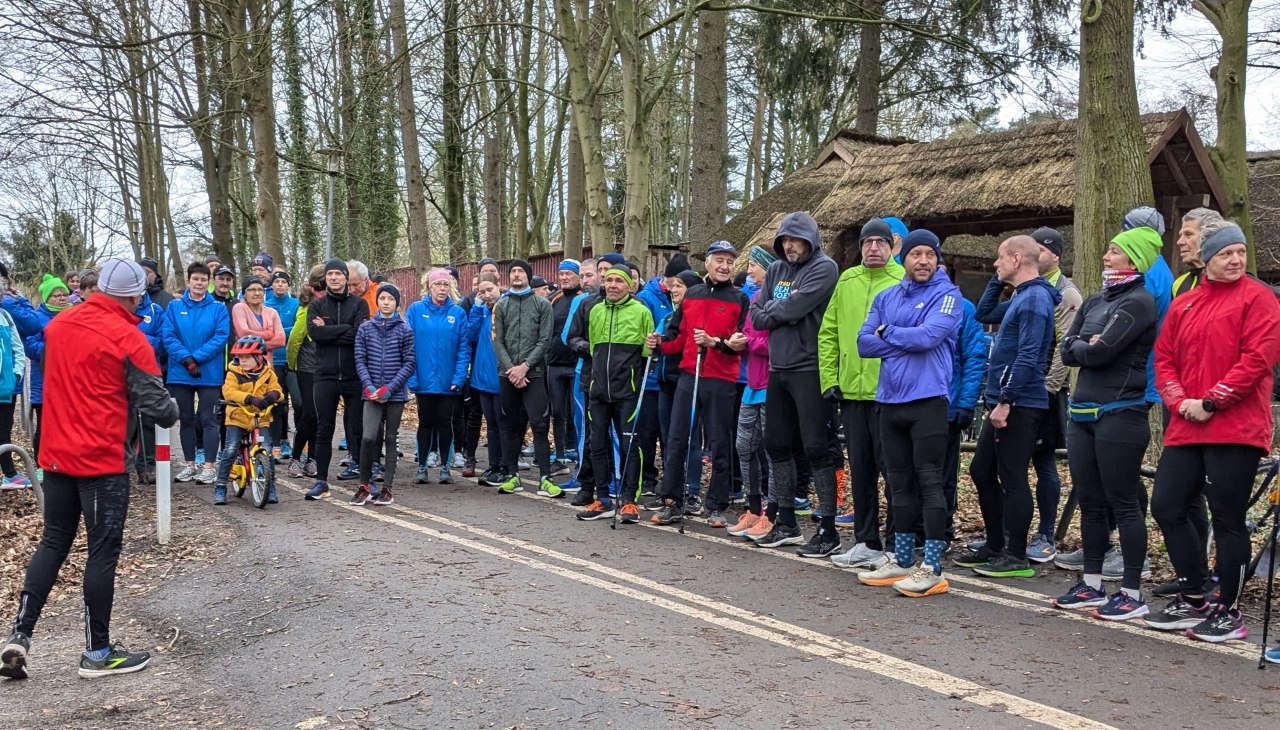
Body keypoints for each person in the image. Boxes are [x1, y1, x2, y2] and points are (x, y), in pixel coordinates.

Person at [1, 259, 179, 680]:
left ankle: (18, 635)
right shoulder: (128, 338)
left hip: (57, 454)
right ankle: (98, 652)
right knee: (101, 552)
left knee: (54, 542)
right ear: (135, 295)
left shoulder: (59, 326)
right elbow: (159, 408)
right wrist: (170, 406)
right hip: (101, 458)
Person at [1147, 222, 1280, 641]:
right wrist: (1178, 399)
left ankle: (1229, 610)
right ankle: (1193, 595)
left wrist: (1212, 401)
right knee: (1167, 505)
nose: (1236, 260)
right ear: (1207, 257)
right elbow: (1164, 357)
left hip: (1235, 427)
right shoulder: (1186, 303)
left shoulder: (1259, 298)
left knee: (1227, 518)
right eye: (1226, 253)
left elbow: (1259, 357)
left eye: (1241, 252)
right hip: (1188, 424)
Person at [1050, 228, 1160, 619]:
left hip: (1121, 414)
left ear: (1134, 259)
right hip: (1082, 414)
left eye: (1114, 251)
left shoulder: (1140, 301)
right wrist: (1088, 344)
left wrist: (1090, 347)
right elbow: (1069, 347)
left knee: (1125, 504)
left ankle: (1132, 591)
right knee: (1091, 502)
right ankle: (1092, 584)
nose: (1106, 256)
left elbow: (1103, 353)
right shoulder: (1097, 299)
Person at [852, 229, 961, 595]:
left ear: (937, 259)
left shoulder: (948, 295)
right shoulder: (886, 296)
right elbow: (864, 344)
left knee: (929, 482)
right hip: (889, 401)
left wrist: (888, 333)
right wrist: (899, 336)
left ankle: (931, 565)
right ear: (904, 258)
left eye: (931, 254)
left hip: (929, 400)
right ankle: (900, 560)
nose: (924, 261)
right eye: (917, 254)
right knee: (897, 483)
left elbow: (930, 336)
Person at [957, 235, 1060, 578]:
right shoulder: (1021, 296)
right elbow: (983, 312)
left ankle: (1016, 554)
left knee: (1013, 476)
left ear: (1016, 259)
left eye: (1000, 259)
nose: (994, 265)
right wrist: (997, 279)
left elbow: (1029, 355)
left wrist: (1006, 401)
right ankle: (995, 543)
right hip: (1006, 400)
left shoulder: (1035, 301)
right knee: (981, 470)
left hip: (1020, 403)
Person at [750, 213, 840, 550]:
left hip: (811, 368)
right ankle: (786, 522)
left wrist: (778, 307)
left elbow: (793, 309)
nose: (789, 246)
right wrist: (780, 307)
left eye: (795, 239)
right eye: (785, 240)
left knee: (817, 448)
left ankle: (828, 528)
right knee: (775, 445)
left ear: (810, 240)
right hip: (779, 368)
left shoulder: (824, 267)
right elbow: (757, 316)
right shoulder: (775, 270)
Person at [821, 219, 906, 570]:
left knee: (895, 471)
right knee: (862, 469)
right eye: (867, 242)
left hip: (890, 394)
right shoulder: (847, 280)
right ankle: (865, 541)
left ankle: (896, 543)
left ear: (891, 246)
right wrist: (829, 378)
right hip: (852, 393)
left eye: (880, 242)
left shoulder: (903, 281)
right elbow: (829, 331)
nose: (873, 248)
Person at [648, 242, 748, 527]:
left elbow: (741, 342)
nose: (725, 266)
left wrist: (715, 343)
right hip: (689, 376)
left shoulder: (740, 299)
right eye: (719, 260)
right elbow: (678, 338)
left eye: (729, 261)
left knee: (719, 442)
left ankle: (716, 504)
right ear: (708, 263)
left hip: (721, 379)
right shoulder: (692, 294)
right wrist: (659, 346)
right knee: (676, 438)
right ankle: (672, 501)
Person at [569, 267, 653, 522]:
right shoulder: (595, 311)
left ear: (630, 286)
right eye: (609, 281)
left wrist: (654, 348)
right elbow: (592, 349)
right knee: (597, 444)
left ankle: (629, 501)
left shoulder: (641, 312)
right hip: (598, 392)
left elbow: (649, 355)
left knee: (629, 445)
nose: (613, 285)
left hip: (627, 393)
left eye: (619, 281)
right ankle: (602, 498)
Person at [492, 259, 559, 496]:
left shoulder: (542, 305)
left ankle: (545, 478)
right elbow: (497, 341)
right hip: (507, 375)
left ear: (528, 276)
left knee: (540, 425)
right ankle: (512, 475)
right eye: (513, 272)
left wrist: (526, 367)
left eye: (521, 271)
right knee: (511, 425)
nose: (516, 275)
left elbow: (545, 340)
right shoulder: (501, 305)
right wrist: (512, 369)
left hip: (535, 375)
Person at [304, 258, 370, 499]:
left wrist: (330, 331)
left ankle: (364, 481)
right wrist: (345, 329)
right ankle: (321, 480)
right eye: (330, 274)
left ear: (345, 277)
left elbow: (359, 335)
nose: (334, 278)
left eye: (338, 274)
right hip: (324, 375)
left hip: (354, 375)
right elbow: (315, 334)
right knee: (324, 428)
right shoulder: (317, 306)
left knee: (357, 429)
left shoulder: (360, 304)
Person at [163, 262, 232, 485]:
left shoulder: (218, 308)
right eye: (196, 279)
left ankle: (209, 466)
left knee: (208, 418)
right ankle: (190, 464)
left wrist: (197, 358)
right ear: (189, 281)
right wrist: (186, 359)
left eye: (204, 279)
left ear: (208, 281)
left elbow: (221, 336)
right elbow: (168, 335)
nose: (200, 283)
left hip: (208, 372)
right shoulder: (174, 307)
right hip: (181, 372)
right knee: (186, 419)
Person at [350, 283, 415, 506]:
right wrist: (369, 387)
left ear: (397, 303)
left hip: (394, 395)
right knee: (368, 437)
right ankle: (365, 485)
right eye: (382, 298)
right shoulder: (365, 328)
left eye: (390, 299)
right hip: (371, 393)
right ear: (377, 301)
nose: (386, 302)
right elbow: (360, 359)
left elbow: (409, 363)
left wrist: (390, 388)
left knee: (390, 438)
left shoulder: (405, 329)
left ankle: (387, 488)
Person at [406, 268, 472, 484]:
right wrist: (412, 377)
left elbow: (464, 348)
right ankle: (422, 466)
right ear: (429, 286)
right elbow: (407, 346)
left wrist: (458, 377)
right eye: (438, 285)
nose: (442, 289)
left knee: (446, 424)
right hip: (423, 380)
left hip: (448, 382)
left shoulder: (458, 313)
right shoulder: (415, 310)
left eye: (446, 285)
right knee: (425, 423)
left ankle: (445, 467)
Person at [729, 248, 774, 537]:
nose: (750, 270)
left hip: (772, 385)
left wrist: (748, 343)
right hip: (751, 383)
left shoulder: (780, 300)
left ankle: (772, 513)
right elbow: (751, 333)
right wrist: (739, 341)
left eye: (754, 265)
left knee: (771, 451)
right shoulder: (754, 299)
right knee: (744, 446)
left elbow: (774, 343)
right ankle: (753, 507)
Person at [213, 335, 282, 505]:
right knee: (230, 448)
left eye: (246, 358)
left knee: (266, 448)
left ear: (259, 357)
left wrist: (274, 395)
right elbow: (228, 392)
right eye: (239, 358)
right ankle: (220, 486)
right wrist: (250, 399)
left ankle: (270, 485)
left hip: (260, 418)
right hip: (238, 416)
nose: (242, 361)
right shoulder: (233, 373)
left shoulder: (268, 373)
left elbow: (277, 390)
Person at [943, 284, 987, 542]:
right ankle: (910, 530)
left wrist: (966, 402)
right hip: (910, 401)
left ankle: (941, 532)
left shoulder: (962, 307)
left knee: (943, 474)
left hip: (948, 402)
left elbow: (974, 356)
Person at [24, 274, 72, 461]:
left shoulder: (74, 314)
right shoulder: (36, 318)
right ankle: (41, 464)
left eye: (64, 294)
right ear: (46, 298)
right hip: (45, 382)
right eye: (56, 295)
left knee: (68, 425)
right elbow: (30, 346)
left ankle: (65, 461)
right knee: (45, 427)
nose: (62, 298)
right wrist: (56, 349)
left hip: (71, 382)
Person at [467, 273, 508, 485]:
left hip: (500, 376)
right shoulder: (482, 311)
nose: (486, 295)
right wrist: (476, 308)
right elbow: (469, 335)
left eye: (489, 290)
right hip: (482, 377)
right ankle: (493, 465)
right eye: (482, 292)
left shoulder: (505, 308)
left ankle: (505, 466)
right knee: (490, 424)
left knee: (502, 424)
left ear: (499, 286)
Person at [286, 267, 325, 478]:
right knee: (309, 413)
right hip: (307, 368)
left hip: (325, 369)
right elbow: (294, 340)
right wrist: (294, 367)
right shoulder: (307, 308)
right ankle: (295, 457)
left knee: (320, 416)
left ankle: (313, 458)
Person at [547, 259, 583, 469]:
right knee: (558, 412)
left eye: (569, 274)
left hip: (575, 364)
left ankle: (579, 455)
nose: (564, 278)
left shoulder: (583, 299)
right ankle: (559, 456)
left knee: (575, 413)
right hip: (554, 364)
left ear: (577, 276)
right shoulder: (555, 299)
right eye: (561, 274)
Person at [265, 271, 299, 458]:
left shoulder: (295, 305)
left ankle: (293, 443)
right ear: (272, 285)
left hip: (292, 360)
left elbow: (298, 329)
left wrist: (277, 332)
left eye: (283, 282)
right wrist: (281, 333)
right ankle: (276, 443)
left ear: (288, 285)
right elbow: (264, 331)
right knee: (278, 403)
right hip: (273, 360)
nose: (280, 285)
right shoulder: (266, 307)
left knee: (298, 403)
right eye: (276, 282)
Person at [0, 296, 28, 489]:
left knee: (3, 429)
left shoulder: (5, 316)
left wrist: (16, 373)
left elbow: (18, 347)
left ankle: (9, 473)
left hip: (5, 385)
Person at [1172, 208, 1224, 297]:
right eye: (1181, 235)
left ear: (1210, 237)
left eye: (1188, 234)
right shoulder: (1179, 284)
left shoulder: (1238, 283)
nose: (1179, 242)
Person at [231, 277, 286, 349]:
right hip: (246, 358)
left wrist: (259, 346)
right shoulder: (240, 308)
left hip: (267, 359)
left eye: (260, 290)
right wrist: (269, 334)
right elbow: (244, 334)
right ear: (244, 293)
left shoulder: (272, 312)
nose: (257, 293)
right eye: (252, 290)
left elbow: (281, 340)